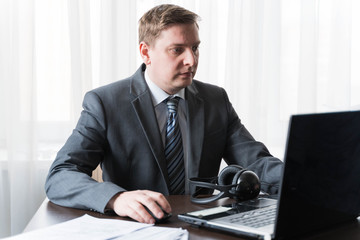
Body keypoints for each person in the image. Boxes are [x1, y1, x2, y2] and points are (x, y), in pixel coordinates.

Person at [45, 4, 283, 225]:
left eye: (195, 48)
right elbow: (61, 175)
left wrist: (305, 180)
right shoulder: (105, 103)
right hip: (136, 228)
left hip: (203, 226)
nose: (191, 60)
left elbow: (256, 161)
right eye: (177, 50)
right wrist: (116, 198)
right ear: (146, 52)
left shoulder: (215, 99)